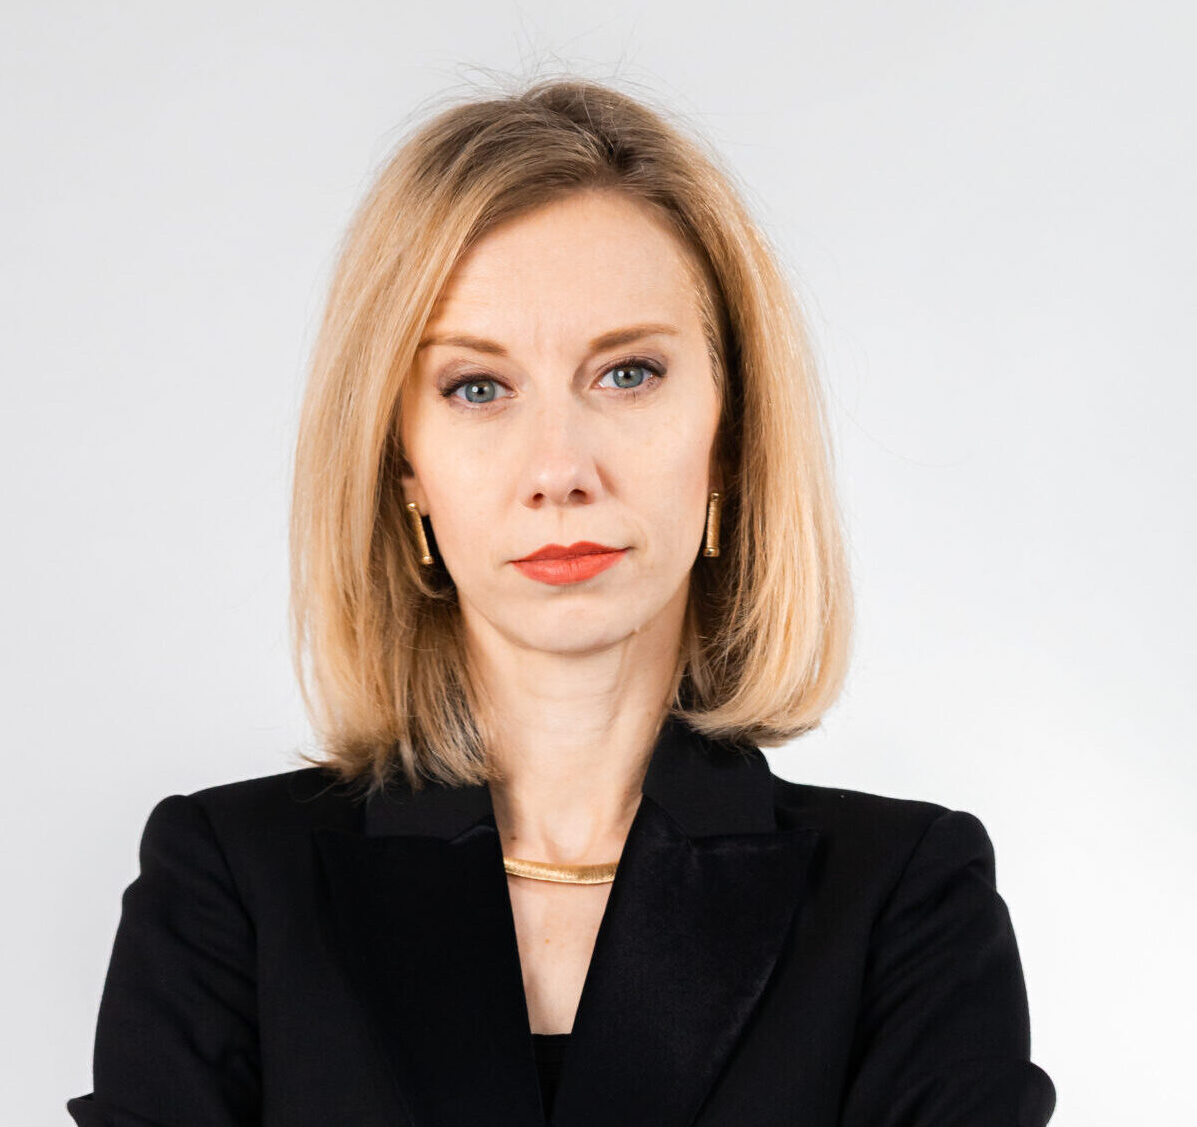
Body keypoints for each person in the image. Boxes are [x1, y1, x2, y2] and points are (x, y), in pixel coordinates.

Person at [66, 75, 1056, 1127]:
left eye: (627, 373)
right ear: (403, 465)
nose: (558, 469)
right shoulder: (231, 886)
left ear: (729, 435)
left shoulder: (904, 901)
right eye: (477, 387)